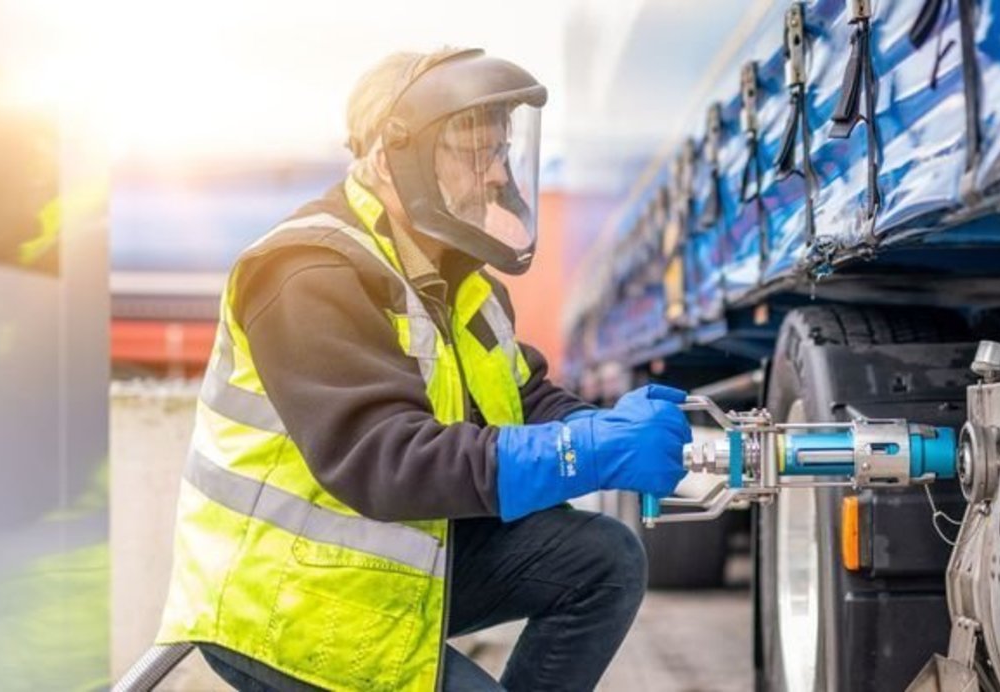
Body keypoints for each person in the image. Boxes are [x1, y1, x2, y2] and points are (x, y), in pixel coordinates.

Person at [155, 46, 691, 691]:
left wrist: (605, 426)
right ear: (391, 160)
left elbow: (523, 398)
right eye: (474, 153)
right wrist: (586, 452)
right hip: (285, 599)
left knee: (603, 558)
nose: (497, 175)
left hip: (376, 570)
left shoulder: (461, 283)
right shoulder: (308, 273)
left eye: (501, 151)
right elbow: (388, 462)